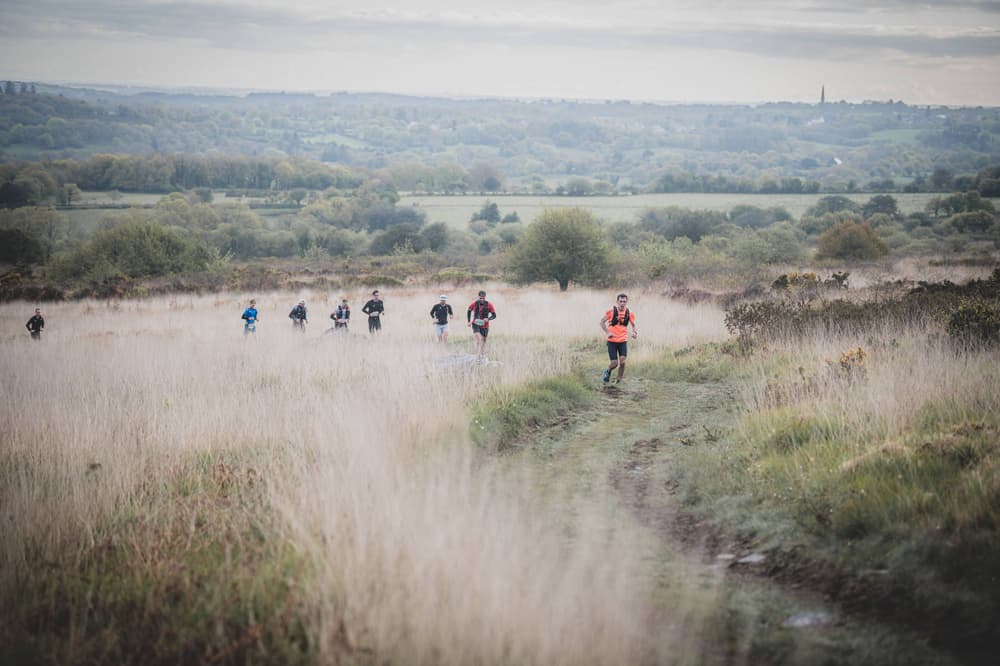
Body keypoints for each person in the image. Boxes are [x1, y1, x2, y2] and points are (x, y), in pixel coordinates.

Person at [600, 293, 638, 384]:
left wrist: (634, 333)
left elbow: (634, 325)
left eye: (624, 302)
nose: (622, 303)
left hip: (622, 341)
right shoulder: (611, 311)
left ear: (626, 302)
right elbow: (601, 322)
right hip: (612, 341)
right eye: (620, 301)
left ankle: (618, 380)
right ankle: (608, 371)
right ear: (617, 302)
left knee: (623, 361)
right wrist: (608, 332)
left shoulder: (629, 313)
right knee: (614, 363)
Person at [467, 290, 497, 357]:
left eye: (483, 298)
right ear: (478, 297)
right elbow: (469, 310)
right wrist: (469, 321)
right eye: (480, 298)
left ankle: (482, 355)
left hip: (485, 325)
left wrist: (488, 319)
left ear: (485, 297)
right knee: (479, 339)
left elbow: (494, 315)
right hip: (476, 323)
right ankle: (477, 355)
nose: (482, 300)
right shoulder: (474, 304)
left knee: (483, 341)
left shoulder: (489, 304)